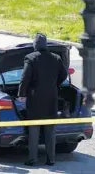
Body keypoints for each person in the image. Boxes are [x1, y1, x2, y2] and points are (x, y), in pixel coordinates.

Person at [18, 33, 68, 166]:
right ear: (45, 44)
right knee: (50, 130)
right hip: (52, 97)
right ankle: (51, 159)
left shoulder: (30, 58)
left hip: (35, 99)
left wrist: (22, 94)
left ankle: (33, 158)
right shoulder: (56, 58)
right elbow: (64, 74)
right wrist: (54, 84)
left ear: (35, 45)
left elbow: (25, 78)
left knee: (34, 130)